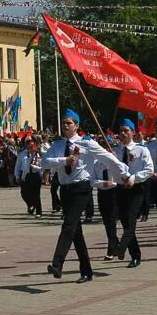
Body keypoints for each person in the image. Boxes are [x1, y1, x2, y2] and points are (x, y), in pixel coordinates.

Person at [41, 109, 129, 283]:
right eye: (64, 123)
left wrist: (124, 173)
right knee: (75, 232)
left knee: (68, 225)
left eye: (69, 123)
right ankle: (87, 271)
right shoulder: (57, 146)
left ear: (77, 125)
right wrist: (64, 160)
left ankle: (57, 263)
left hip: (81, 188)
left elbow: (108, 158)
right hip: (65, 190)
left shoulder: (86, 144)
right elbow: (44, 162)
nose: (66, 126)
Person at [112, 119, 153, 268]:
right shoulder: (115, 151)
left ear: (133, 133)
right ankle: (134, 253)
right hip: (120, 189)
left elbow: (149, 170)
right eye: (121, 130)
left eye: (126, 131)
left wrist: (133, 178)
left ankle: (121, 248)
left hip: (136, 189)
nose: (123, 133)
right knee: (125, 222)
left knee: (131, 220)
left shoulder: (141, 150)